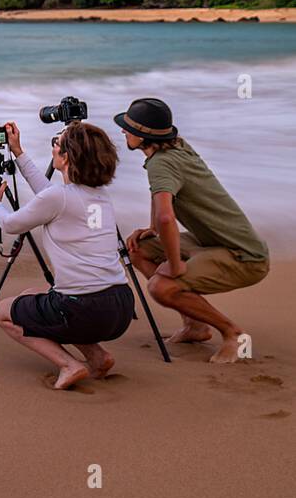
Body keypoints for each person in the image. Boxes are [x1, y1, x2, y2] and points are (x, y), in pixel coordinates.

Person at [0, 121, 134, 390]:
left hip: (84, 310)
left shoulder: (58, 199)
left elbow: (12, 224)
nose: (54, 148)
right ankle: (97, 357)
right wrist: (18, 151)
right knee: (32, 293)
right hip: (120, 305)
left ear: (65, 158)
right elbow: (49, 194)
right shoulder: (100, 195)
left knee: (5, 311)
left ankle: (68, 364)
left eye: (58, 144)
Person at [114, 98, 269, 364]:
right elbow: (161, 203)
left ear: (143, 136)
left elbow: (166, 216)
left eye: (128, 128)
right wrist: (152, 229)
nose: (123, 132)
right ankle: (195, 325)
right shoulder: (174, 148)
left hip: (245, 256)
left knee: (161, 288)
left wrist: (174, 265)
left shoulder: (161, 164)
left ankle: (233, 333)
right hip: (212, 242)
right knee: (138, 249)